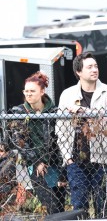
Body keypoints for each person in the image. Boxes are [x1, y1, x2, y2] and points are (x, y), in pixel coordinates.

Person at [56, 52, 107, 218]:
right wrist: (67, 157)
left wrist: (85, 112)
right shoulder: (67, 95)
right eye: (89, 67)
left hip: (103, 158)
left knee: (101, 204)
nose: (94, 69)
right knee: (79, 204)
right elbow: (60, 128)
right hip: (76, 159)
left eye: (96, 66)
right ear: (79, 72)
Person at [10, 71, 66, 214]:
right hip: (36, 166)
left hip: (56, 163)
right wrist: (37, 162)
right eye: (26, 91)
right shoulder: (19, 112)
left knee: (60, 206)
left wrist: (62, 167)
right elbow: (20, 142)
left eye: (32, 91)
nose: (28, 94)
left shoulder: (54, 111)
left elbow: (61, 138)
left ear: (42, 92)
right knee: (50, 206)